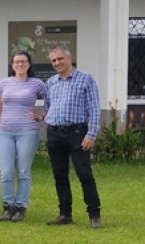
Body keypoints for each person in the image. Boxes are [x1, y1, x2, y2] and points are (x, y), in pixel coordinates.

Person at [43, 46, 102, 228]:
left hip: (77, 133)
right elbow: (48, 106)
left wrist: (91, 134)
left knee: (84, 173)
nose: (57, 63)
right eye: (53, 61)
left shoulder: (85, 79)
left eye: (60, 59)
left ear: (69, 58)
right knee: (60, 175)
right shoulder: (51, 82)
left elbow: (93, 108)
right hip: (55, 133)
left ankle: (94, 214)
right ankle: (64, 214)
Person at [0, 52, 46, 222]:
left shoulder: (37, 84)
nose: (20, 64)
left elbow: (52, 100)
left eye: (23, 61)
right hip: (5, 132)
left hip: (27, 131)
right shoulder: (3, 83)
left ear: (29, 64)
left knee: (23, 171)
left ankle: (21, 206)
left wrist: (42, 116)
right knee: (5, 172)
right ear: (12, 65)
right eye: (16, 62)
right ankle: (8, 206)